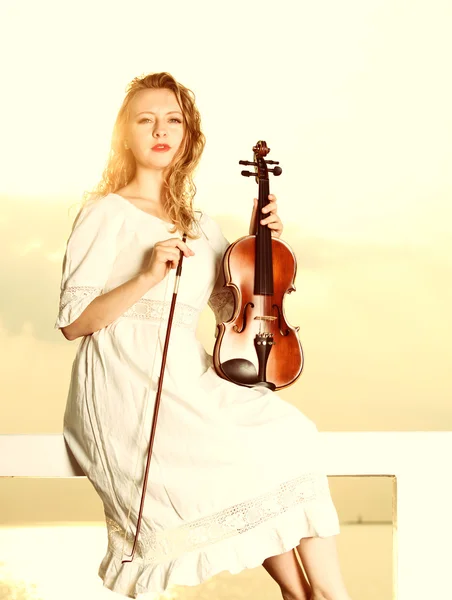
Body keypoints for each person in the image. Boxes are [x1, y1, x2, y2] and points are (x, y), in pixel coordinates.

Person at [55, 72, 352, 600]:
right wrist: (146, 275)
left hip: (185, 374)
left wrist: (262, 245)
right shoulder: (106, 214)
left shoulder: (201, 224)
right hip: (125, 383)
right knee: (258, 451)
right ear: (125, 134)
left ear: (188, 135)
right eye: (145, 120)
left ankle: (317, 594)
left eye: (173, 120)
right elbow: (75, 321)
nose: (160, 130)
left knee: (291, 435)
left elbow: (230, 309)